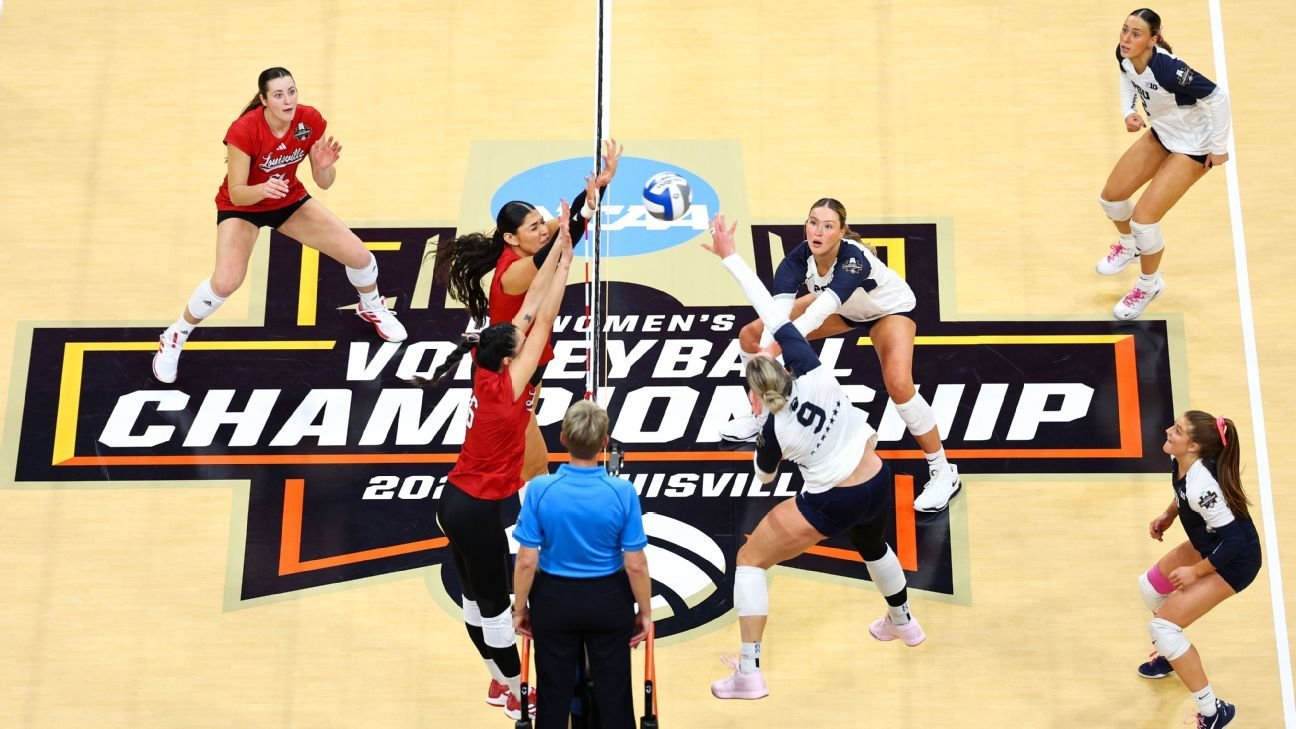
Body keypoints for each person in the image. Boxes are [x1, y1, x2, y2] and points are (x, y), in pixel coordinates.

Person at [702, 212, 925, 700]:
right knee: (874, 547)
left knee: (750, 560)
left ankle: (749, 672)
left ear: (756, 399)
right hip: (875, 477)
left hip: (832, 499)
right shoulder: (814, 371)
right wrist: (730, 257)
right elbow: (777, 317)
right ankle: (904, 623)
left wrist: (763, 433)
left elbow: (763, 480)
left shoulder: (774, 434)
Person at [415, 202, 575, 722]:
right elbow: (539, 316)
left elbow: (533, 310)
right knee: (497, 610)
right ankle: (514, 689)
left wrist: (564, 252)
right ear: (512, 361)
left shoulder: (486, 374)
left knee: (471, 602)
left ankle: (496, 680)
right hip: (476, 511)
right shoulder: (511, 394)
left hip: (453, 499)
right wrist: (568, 242)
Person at [152, 67, 406, 383]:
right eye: (278, 94)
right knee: (227, 281)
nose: (287, 100)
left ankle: (371, 306)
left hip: (286, 200)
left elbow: (323, 183)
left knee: (361, 257)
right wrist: (263, 189)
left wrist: (325, 168)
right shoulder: (243, 131)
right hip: (243, 207)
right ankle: (176, 334)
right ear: (264, 100)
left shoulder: (308, 120)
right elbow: (237, 192)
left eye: (291, 92)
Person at [719, 198, 961, 513]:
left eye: (828, 226)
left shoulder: (854, 261)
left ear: (841, 232)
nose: (818, 231)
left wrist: (769, 356)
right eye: (813, 222)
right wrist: (761, 368)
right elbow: (774, 316)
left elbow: (813, 318)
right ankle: (762, 420)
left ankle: (943, 470)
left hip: (886, 310)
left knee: (899, 385)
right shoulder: (796, 260)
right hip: (845, 309)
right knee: (750, 335)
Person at [436, 140, 623, 482]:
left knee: (520, 446)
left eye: (541, 222)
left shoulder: (525, 244)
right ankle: (530, 517)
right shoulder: (515, 273)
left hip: (527, 362)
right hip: (512, 369)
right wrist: (582, 216)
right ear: (511, 239)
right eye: (533, 227)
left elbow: (560, 229)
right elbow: (561, 242)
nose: (542, 229)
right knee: (533, 464)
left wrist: (598, 187)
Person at [511, 400, 653, 729]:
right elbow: (635, 564)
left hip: (554, 601)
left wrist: (520, 609)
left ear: (562, 439)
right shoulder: (621, 491)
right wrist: (644, 613)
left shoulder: (542, 490)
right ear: (604, 443)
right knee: (615, 694)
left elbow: (526, 560)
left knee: (553, 693)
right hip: (608, 601)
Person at [1095, 8, 1231, 320]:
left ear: (1154, 39)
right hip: (1162, 134)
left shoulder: (1169, 70)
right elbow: (1127, 76)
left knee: (1144, 220)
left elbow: (1218, 97)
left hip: (1194, 146)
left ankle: (1149, 284)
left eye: (1136, 33)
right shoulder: (1124, 53)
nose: (1126, 38)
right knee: (1111, 197)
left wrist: (1219, 147)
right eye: (1125, 30)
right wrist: (1128, 111)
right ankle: (1129, 247)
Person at [1135, 411, 1258, 728]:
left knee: (1162, 628)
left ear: (1193, 446)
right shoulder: (1184, 463)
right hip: (1210, 545)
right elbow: (1181, 493)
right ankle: (1172, 653)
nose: (1167, 430)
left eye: (1176, 430)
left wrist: (1197, 572)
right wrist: (1168, 515)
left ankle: (1214, 711)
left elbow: (1233, 543)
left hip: (1234, 562)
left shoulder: (1205, 486)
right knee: (1150, 587)